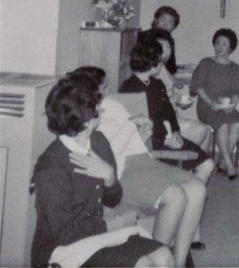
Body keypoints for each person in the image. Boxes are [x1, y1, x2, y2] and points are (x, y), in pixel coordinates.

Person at [31, 77, 173, 268]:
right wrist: (117, 226)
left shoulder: (98, 141)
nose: (102, 110)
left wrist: (110, 177)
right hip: (61, 250)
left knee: (165, 257)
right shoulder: (51, 166)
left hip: (96, 235)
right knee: (142, 264)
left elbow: (113, 200)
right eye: (98, 108)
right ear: (88, 121)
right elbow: (64, 234)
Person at [71, 66, 208, 264]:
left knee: (197, 188)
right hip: (120, 169)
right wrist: (130, 129)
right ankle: (158, 259)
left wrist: (143, 133)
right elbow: (105, 156)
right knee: (174, 196)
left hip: (143, 160)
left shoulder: (114, 105)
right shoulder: (84, 115)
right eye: (102, 88)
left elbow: (136, 143)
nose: (107, 92)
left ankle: (178, 262)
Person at [120, 42, 214, 186]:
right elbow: (137, 126)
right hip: (151, 144)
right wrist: (165, 140)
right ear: (151, 62)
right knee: (194, 169)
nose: (161, 63)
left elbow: (169, 111)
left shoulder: (157, 84)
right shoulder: (129, 87)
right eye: (159, 60)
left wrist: (176, 131)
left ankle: (191, 198)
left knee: (207, 164)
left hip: (168, 137)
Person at [139, 28, 212, 152]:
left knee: (206, 132)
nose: (166, 51)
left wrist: (176, 99)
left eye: (169, 47)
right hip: (162, 122)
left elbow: (172, 83)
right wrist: (174, 100)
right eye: (162, 47)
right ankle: (184, 163)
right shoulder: (153, 70)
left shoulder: (161, 67)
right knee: (203, 131)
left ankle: (197, 165)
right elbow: (153, 103)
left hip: (171, 115)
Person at [190, 28, 239, 180]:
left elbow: (236, 91)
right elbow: (198, 87)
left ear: (231, 48)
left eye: (224, 44)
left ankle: (222, 162)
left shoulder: (235, 68)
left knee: (237, 123)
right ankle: (229, 163)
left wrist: (232, 105)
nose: (220, 47)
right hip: (207, 106)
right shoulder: (206, 63)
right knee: (223, 124)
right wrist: (211, 103)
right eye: (217, 43)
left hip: (226, 106)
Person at [137, 5, 181, 74]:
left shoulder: (169, 40)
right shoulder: (142, 36)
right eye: (163, 20)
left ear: (173, 28)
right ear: (155, 20)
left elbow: (171, 68)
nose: (165, 24)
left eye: (170, 22)